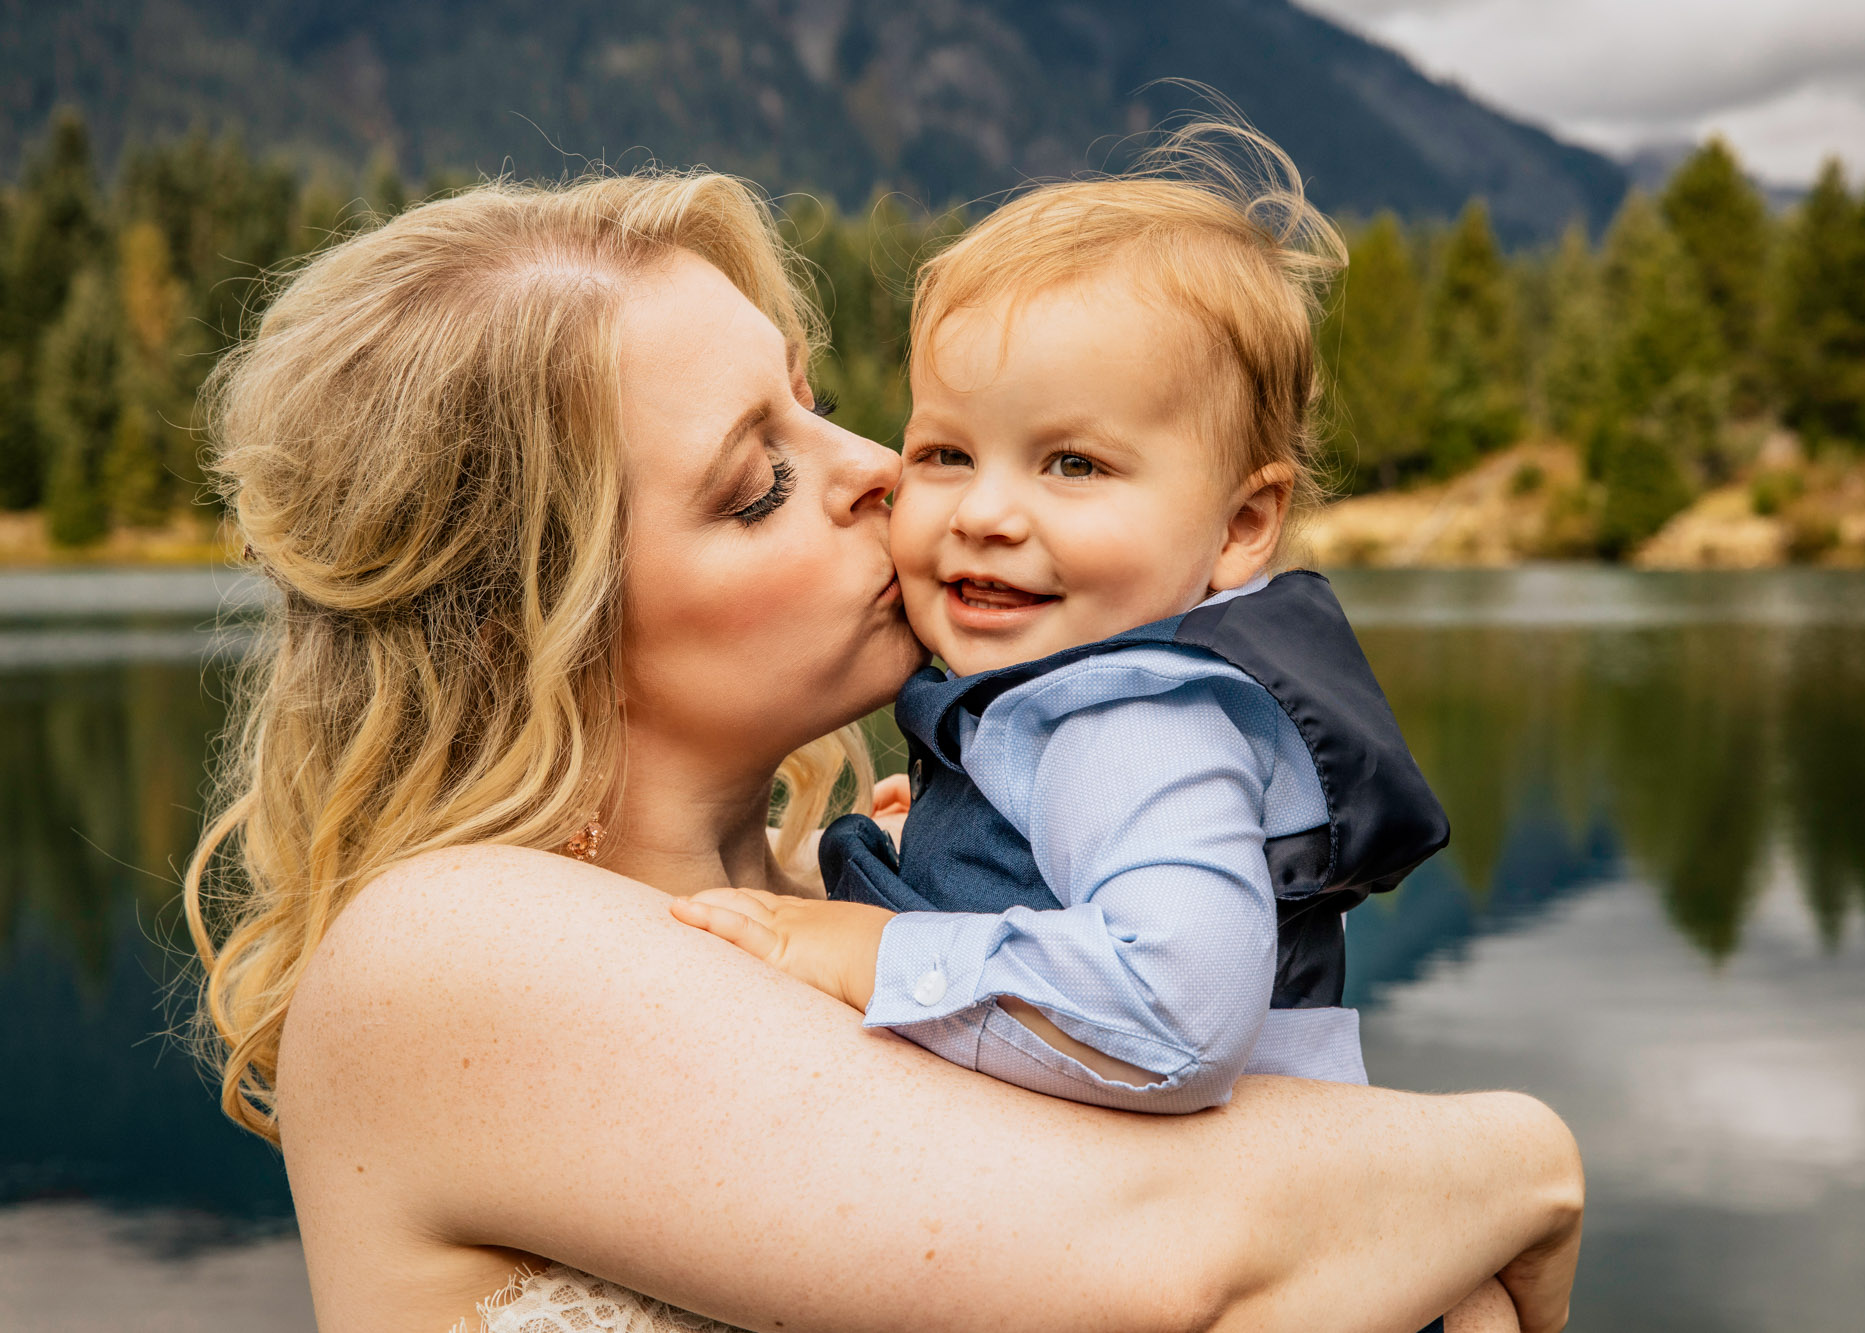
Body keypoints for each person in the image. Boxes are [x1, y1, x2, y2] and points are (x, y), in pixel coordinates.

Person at [183, 167, 1583, 1333]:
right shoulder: (453, 945)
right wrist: (1511, 1155)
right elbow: (1175, 1266)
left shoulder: (875, 900)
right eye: (757, 482)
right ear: (523, 623)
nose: (877, 470)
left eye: (815, 399)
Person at [669, 124, 1507, 1333]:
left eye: (1072, 463)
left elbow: (1177, 1013)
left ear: (1238, 526)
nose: (988, 513)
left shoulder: (1135, 716)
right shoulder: (1062, 722)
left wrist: (860, 949)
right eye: (947, 452)